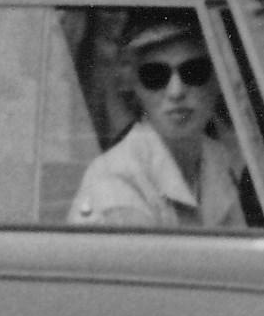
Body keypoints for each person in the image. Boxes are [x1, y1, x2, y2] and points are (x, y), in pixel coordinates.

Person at [66, 11, 246, 229]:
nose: (176, 92)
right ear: (135, 87)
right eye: (155, 76)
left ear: (217, 80)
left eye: (194, 71)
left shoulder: (225, 159)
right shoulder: (115, 183)